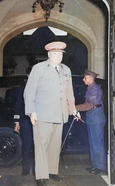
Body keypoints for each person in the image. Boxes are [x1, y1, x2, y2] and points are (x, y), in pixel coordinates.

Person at [23, 41, 78, 186]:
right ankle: (41, 176)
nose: (58, 56)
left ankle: (52, 171)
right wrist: (31, 111)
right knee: (41, 145)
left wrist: (72, 109)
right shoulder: (39, 68)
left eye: (60, 54)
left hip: (60, 114)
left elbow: (69, 92)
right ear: (49, 54)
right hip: (42, 114)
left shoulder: (66, 69)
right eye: (55, 54)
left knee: (55, 144)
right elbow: (29, 91)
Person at [75, 69, 107, 174]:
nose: (83, 79)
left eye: (85, 78)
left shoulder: (94, 89)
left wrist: (76, 108)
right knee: (93, 143)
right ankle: (95, 165)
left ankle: (101, 167)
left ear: (91, 78)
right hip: (92, 119)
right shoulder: (90, 88)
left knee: (97, 143)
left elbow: (89, 105)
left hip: (96, 119)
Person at [13, 86, 35, 176]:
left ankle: (36, 171)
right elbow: (18, 105)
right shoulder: (23, 89)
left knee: (37, 147)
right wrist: (17, 122)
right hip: (25, 121)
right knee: (26, 146)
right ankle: (25, 170)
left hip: (39, 121)